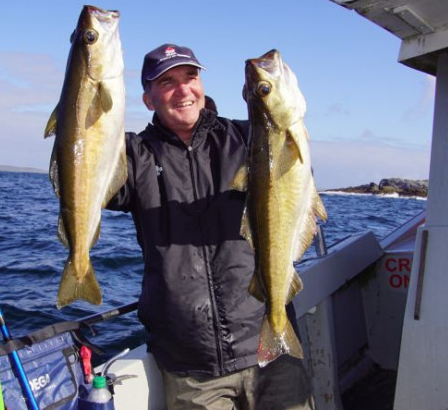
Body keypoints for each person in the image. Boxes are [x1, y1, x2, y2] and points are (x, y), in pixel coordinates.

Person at [107, 43, 314, 410]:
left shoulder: (248, 138)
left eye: (191, 77)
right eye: (167, 82)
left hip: (268, 345)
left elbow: (296, 184)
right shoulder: (133, 156)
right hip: (190, 363)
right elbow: (83, 176)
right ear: (148, 99)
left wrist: (266, 97)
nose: (183, 90)